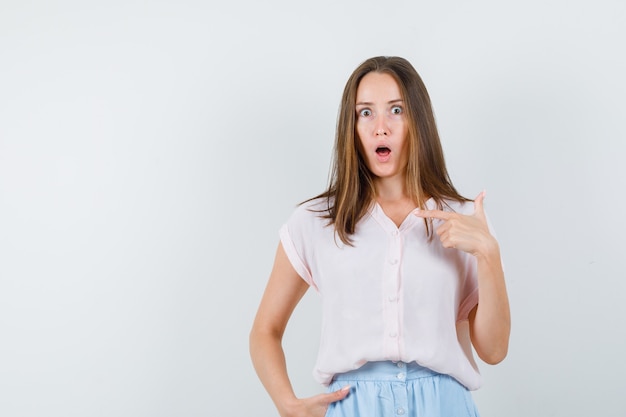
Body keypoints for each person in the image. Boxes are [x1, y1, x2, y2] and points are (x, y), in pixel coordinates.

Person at [249, 56, 510, 417]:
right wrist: (286, 403)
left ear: (417, 120)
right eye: (365, 113)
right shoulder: (317, 220)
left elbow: (494, 351)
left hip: (444, 405)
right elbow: (265, 329)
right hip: (352, 405)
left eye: (397, 110)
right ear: (351, 125)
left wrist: (487, 254)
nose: (380, 127)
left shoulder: (464, 218)